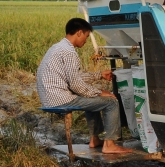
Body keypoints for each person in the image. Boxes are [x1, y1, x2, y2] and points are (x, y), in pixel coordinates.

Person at [36, 18, 130, 154]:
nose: (85, 41)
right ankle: (110, 144)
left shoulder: (57, 47)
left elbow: (74, 78)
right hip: (60, 99)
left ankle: (95, 139)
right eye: (86, 36)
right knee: (111, 101)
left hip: (50, 98)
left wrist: (99, 75)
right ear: (79, 32)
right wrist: (99, 92)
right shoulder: (69, 52)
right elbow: (75, 85)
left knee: (91, 100)